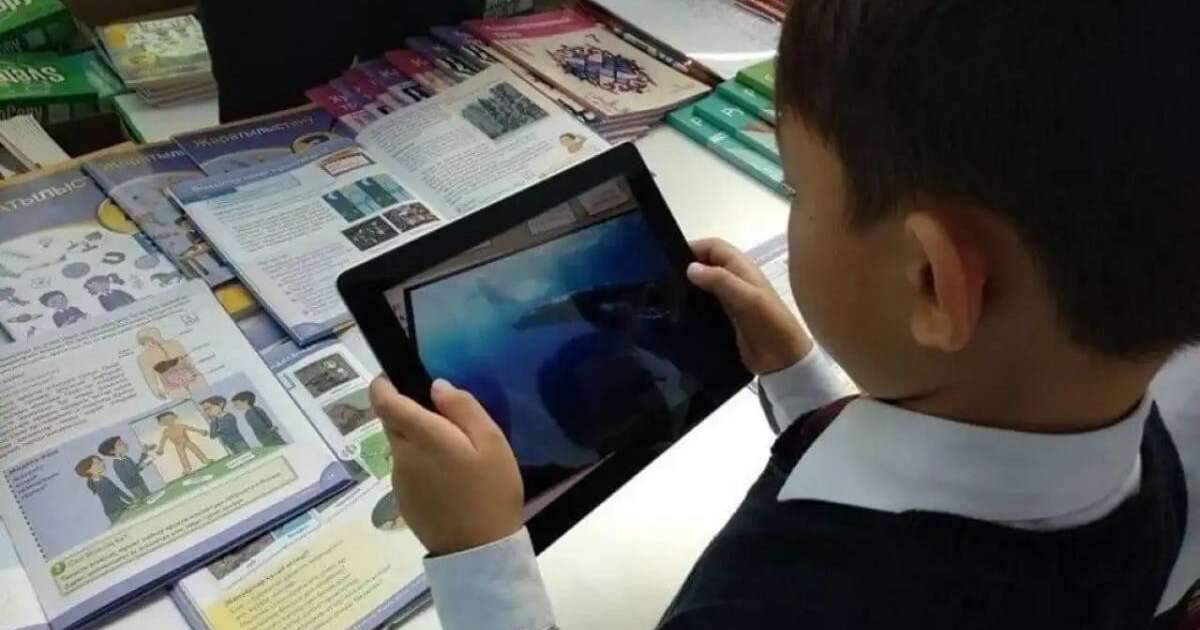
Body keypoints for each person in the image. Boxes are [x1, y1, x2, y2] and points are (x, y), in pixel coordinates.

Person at [368, 2, 1200, 629]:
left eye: (798, 189)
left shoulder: (773, 605)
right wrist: (801, 379)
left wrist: (479, 554)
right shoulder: (1149, 471)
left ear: (930, 284)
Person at [75, 456, 134, 525]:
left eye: (100, 461)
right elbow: (114, 494)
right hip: (115, 512)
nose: (101, 463)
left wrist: (130, 500)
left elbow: (117, 490)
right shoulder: (97, 484)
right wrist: (128, 502)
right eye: (97, 463)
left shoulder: (104, 478)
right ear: (88, 470)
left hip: (120, 507)